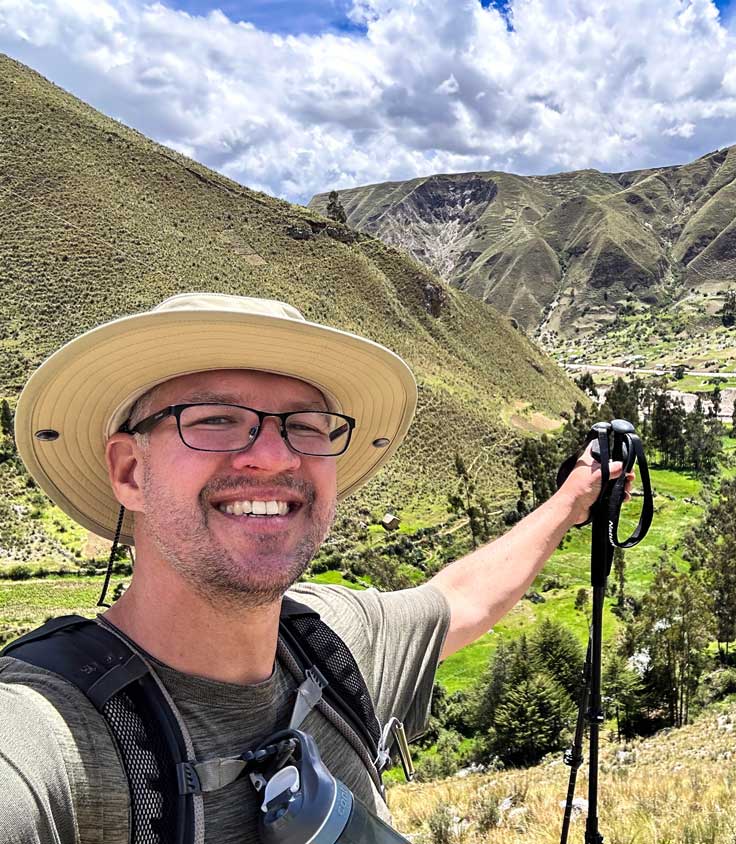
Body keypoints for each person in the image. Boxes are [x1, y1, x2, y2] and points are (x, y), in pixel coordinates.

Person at [0, 292, 630, 843]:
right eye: (216, 420)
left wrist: (575, 497)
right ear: (130, 472)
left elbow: (459, 601)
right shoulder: (47, 736)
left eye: (305, 425)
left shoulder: (327, 641)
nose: (273, 457)